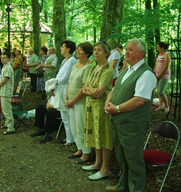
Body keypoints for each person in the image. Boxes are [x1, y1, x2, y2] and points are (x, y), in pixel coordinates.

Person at [104, 38, 156, 192]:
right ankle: (123, 186)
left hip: (133, 124)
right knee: (122, 157)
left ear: (141, 53)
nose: (126, 52)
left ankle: (136, 189)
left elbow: (139, 100)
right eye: (126, 49)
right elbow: (115, 89)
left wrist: (117, 108)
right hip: (119, 121)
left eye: (130, 50)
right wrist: (108, 101)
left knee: (134, 160)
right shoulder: (126, 70)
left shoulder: (146, 74)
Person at [81, 41, 113, 181]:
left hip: (101, 108)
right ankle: (97, 163)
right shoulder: (93, 69)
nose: (95, 52)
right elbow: (84, 88)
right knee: (95, 134)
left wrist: (90, 90)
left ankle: (105, 168)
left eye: (99, 50)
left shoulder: (107, 69)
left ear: (106, 53)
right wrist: (90, 90)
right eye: (94, 49)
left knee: (103, 136)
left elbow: (100, 93)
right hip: (90, 107)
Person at [65, 42, 93, 164]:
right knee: (74, 126)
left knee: (81, 127)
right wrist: (66, 98)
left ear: (87, 53)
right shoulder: (74, 66)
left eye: (80, 50)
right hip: (71, 101)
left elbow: (84, 88)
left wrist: (72, 101)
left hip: (80, 102)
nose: (77, 52)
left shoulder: (88, 68)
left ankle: (86, 153)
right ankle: (79, 148)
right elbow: (69, 83)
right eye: (77, 50)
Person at [52, 40, 77, 146]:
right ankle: (69, 138)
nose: (61, 49)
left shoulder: (72, 61)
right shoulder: (64, 61)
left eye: (63, 47)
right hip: (60, 88)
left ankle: (74, 139)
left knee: (68, 114)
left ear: (68, 49)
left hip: (66, 89)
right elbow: (59, 75)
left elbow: (65, 78)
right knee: (64, 115)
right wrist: (53, 85)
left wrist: (54, 83)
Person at [0, 52, 15, 135]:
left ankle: (11, 127)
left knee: (7, 109)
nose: (2, 59)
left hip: (6, 91)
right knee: (4, 109)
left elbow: (5, 79)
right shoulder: (4, 66)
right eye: (1, 57)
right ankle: (7, 124)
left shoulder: (8, 67)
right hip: (3, 91)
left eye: (4, 57)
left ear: (9, 59)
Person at [153, 42, 171, 113]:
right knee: (159, 91)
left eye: (158, 47)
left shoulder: (167, 55)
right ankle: (161, 106)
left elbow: (166, 67)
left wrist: (159, 75)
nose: (157, 49)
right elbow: (156, 65)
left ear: (162, 48)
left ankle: (167, 106)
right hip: (157, 75)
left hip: (164, 75)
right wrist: (154, 73)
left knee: (161, 91)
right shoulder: (159, 55)